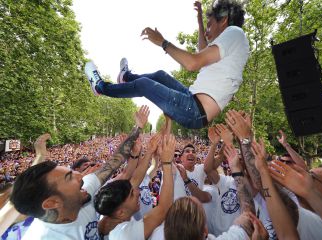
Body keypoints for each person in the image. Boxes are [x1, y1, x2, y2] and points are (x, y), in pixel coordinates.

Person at [85, 0, 249, 129]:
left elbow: (193, 63)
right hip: (192, 100)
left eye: (209, 25)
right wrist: (200, 21)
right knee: (160, 75)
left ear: (224, 20)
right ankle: (125, 77)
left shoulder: (235, 33)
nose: (207, 31)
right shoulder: (230, 44)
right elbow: (202, 50)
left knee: (144, 84)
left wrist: (162, 42)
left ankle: (101, 87)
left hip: (195, 111)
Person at [9, 106, 149, 240]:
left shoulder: (83, 193)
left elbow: (113, 163)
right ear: (52, 203)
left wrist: (138, 127)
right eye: (69, 177)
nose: (79, 175)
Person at [94, 134, 176, 240]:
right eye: (132, 195)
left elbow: (136, 179)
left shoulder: (110, 212)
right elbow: (164, 208)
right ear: (121, 212)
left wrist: (149, 151)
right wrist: (167, 163)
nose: (138, 192)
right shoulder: (124, 235)